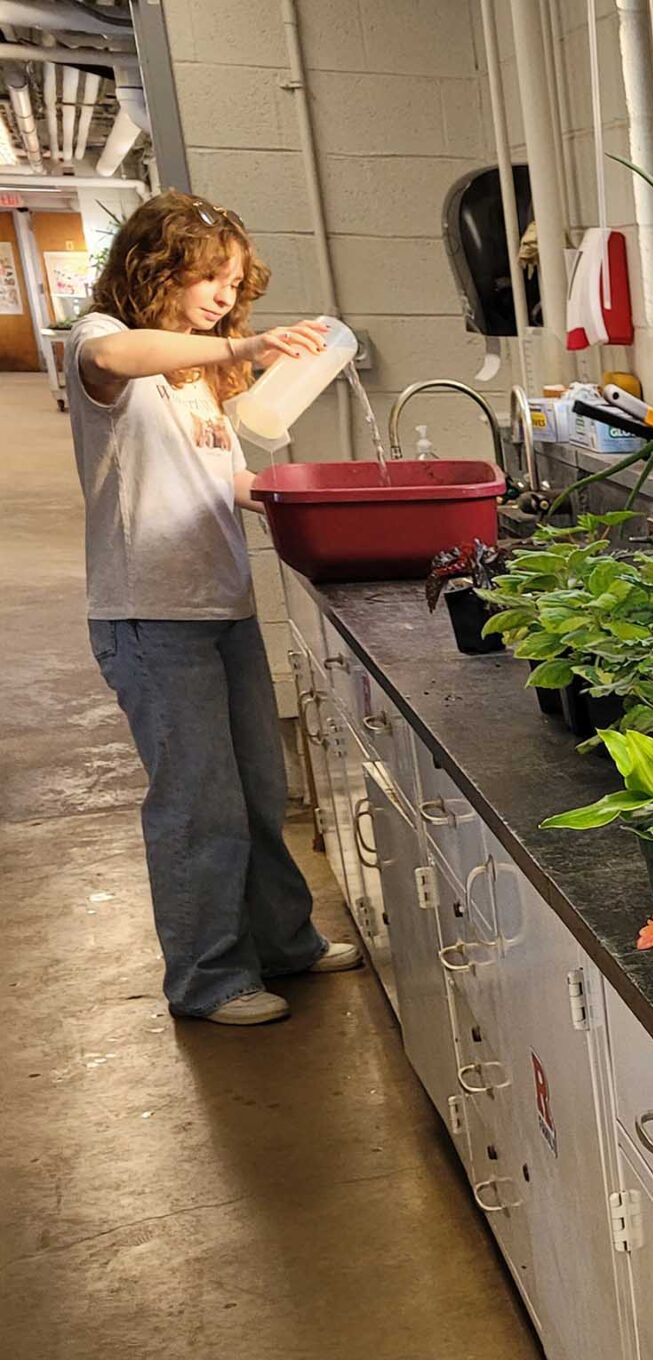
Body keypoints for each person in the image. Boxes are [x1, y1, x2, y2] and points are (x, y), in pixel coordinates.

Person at [70, 193, 360, 1027]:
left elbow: (221, 479)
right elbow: (120, 354)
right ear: (154, 271)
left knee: (259, 790)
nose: (224, 294)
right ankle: (208, 979)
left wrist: (300, 499)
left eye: (233, 281)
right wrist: (240, 344)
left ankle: (282, 945)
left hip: (221, 605)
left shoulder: (198, 377)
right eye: (206, 276)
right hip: (150, 615)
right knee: (197, 801)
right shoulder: (102, 347)